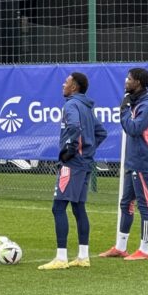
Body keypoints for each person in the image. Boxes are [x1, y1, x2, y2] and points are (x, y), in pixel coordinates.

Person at [38, 72, 107, 270]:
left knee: (58, 207)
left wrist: (70, 150)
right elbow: (101, 132)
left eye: (66, 82)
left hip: (73, 164)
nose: (63, 84)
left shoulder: (71, 105)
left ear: (74, 87)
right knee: (78, 208)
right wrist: (87, 150)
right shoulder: (86, 106)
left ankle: (61, 258)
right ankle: (83, 257)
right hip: (84, 163)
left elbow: (75, 127)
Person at [99, 67, 148, 261]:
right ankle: (121, 246)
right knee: (126, 203)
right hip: (132, 161)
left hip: (142, 161)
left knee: (144, 206)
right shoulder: (135, 102)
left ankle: (144, 249)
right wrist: (126, 108)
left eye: (129, 79)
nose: (126, 81)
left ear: (138, 83)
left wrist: (124, 111)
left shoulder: (147, 106)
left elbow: (134, 128)